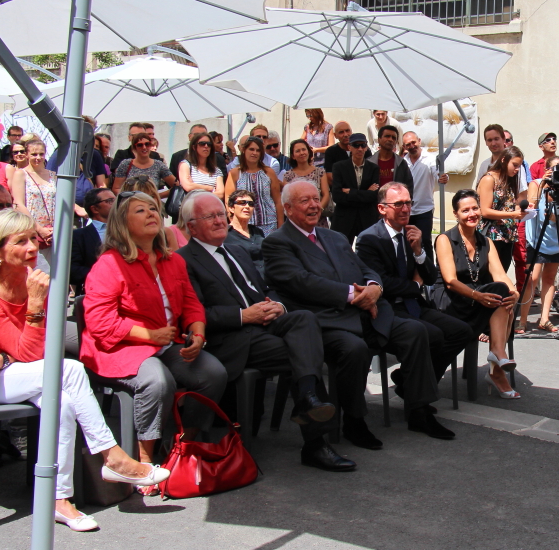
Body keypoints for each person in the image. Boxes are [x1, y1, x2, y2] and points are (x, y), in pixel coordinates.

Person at [0, 209, 169, 530]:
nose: (33, 248)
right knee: (72, 371)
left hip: (11, 369)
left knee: (60, 404)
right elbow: (32, 353)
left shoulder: (30, 280)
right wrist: (33, 309)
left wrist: (6, 357)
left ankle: (57, 500)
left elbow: (41, 350)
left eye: (34, 238)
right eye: (21, 242)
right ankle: (112, 456)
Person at [262, 181, 455, 445]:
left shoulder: (334, 236)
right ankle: (354, 421)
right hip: (325, 320)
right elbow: (301, 282)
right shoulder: (277, 242)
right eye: (304, 201)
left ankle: (418, 410)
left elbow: (365, 269)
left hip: (367, 311)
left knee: (415, 330)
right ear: (287, 207)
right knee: (354, 349)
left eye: (316, 199)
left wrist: (374, 287)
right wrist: (354, 296)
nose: (313, 205)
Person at [177, 193, 351, 471]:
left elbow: (265, 287)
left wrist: (278, 306)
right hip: (233, 337)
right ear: (191, 226)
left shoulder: (235, 250)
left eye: (221, 214)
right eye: (211, 217)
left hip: (264, 322)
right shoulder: (183, 260)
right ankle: (316, 442)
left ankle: (306, 397)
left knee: (304, 319)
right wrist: (242, 316)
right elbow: (193, 313)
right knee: (301, 354)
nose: (220, 220)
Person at [80, 191, 228, 492]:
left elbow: (191, 304)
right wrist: (148, 335)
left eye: (153, 209)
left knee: (213, 373)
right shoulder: (109, 265)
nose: (151, 214)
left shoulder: (172, 261)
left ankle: (185, 443)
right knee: (158, 381)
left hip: (166, 343)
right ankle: (145, 460)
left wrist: (197, 333)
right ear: (122, 223)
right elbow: (100, 322)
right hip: (121, 348)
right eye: (140, 211)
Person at [355, 182, 473, 390]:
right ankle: (418, 396)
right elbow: (382, 282)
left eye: (409, 203)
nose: (406, 209)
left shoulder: (414, 233)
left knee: (461, 331)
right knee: (432, 335)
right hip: (388, 309)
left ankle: (409, 381)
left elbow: (429, 276)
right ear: (382, 208)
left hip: (414, 305)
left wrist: (418, 250)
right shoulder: (370, 239)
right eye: (399, 204)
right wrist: (414, 285)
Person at [434, 189, 519, 398]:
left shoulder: (486, 242)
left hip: (475, 300)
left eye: (475, 208)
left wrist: (514, 292)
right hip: (451, 301)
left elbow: (499, 273)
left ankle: (497, 354)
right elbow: (450, 281)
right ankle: (497, 369)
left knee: (505, 294)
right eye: (465, 210)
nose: (472, 214)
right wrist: (478, 296)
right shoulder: (445, 239)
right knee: (499, 296)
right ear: (456, 214)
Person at [11, 138, 80, 271]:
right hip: (32, 228)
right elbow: (19, 203)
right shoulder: (21, 174)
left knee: (58, 270)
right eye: (34, 154)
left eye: (41, 154)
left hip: (54, 230)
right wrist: (39, 229)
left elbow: (63, 199)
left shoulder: (53, 175)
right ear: (26, 155)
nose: (38, 158)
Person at [518, 156, 559, 333]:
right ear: (546, 169)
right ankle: (522, 320)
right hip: (537, 239)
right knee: (532, 279)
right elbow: (532, 206)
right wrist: (544, 184)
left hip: (555, 239)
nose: (558, 171)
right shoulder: (536, 184)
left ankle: (544, 319)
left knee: (549, 278)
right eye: (554, 168)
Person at [402, 131, 449, 261]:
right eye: (408, 144)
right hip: (406, 210)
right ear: (404, 147)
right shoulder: (402, 162)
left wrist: (443, 178)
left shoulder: (431, 159)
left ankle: (429, 275)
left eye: (413, 142)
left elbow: (439, 173)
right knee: (406, 243)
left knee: (425, 241)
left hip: (424, 209)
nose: (412, 146)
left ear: (419, 141)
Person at [478, 146, 525, 274]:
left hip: (507, 236)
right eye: (514, 165)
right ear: (504, 160)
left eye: (519, 166)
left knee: (501, 275)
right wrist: (512, 214)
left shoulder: (508, 180)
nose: (517, 169)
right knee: (490, 276)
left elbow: (509, 205)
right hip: (491, 236)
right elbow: (485, 211)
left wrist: (520, 210)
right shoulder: (489, 179)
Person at [225, 136, 283, 237]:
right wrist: (234, 222)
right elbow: (228, 201)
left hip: (269, 223)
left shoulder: (269, 172)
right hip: (245, 224)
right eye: (251, 149)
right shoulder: (234, 173)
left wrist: (281, 225)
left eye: (258, 150)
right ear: (244, 150)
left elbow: (277, 201)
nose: (254, 153)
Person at [330, 132, 380, 243]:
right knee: (341, 254)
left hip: (367, 218)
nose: (360, 148)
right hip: (344, 219)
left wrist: (351, 192)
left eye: (363, 145)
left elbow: (373, 196)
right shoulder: (339, 167)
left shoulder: (373, 168)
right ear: (349, 147)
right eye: (356, 145)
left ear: (366, 147)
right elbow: (337, 196)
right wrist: (364, 193)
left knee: (369, 254)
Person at [70, 187, 115, 294]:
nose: (116, 203)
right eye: (110, 201)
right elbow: (73, 271)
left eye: (116, 199)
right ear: (95, 209)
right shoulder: (78, 236)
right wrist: (105, 275)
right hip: (95, 292)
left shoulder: (129, 229)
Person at [112, 132, 175, 197]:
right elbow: (116, 188)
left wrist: (157, 196)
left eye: (147, 144)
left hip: (152, 203)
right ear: (134, 148)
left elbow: (176, 186)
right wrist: (130, 197)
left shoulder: (159, 165)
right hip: (130, 204)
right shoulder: (125, 164)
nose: (144, 147)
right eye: (140, 145)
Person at [225, 189, 266, 276]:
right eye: (242, 203)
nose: (247, 206)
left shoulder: (258, 231)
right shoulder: (225, 235)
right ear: (231, 208)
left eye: (250, 204)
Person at [366, 124, 414, 194]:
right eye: (387, 136)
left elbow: (409, 187)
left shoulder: (401, 163)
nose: (390, 139)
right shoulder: (368, 163)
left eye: (394, 138)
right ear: (379, 139)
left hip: (395, 203)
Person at [177, 131, 224, 201]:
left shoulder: (216, 170)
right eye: (202, 144)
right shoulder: (185, 165)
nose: (206, 146)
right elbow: (188, 186)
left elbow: (220, 194)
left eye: (209, 144)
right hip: (192, 207)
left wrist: (195, 187)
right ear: (194, 147)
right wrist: (210, 188)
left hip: (211, 207)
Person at [323, 121, 372, 186]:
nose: (345, 135)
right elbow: (330, 177)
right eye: (341, 132)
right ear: (335, 135)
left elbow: (370, 172)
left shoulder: (363, 149)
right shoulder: (331, 151)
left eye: (347, 131)